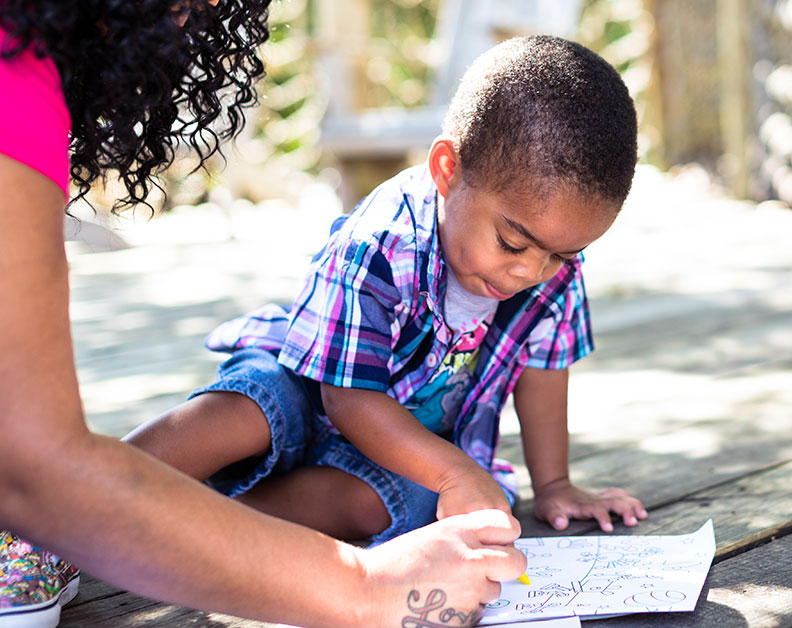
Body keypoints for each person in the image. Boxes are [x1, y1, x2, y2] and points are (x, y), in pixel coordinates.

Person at [0, 1, 524, 627]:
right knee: (261, 398)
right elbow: (29, 473)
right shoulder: (15, 87)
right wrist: (366, 585)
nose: (198, 21)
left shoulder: (31, 80)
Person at [123, 34, 648, 553]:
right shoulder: (380, 243)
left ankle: (204, 519)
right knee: (254, 404)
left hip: (399, 450)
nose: (531, 271)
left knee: (417, 505)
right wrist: (455, 471)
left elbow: (544, 373)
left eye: (560, 254)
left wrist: (553, 484)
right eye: (512, 243)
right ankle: (81, 492)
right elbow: (346, 396)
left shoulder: (553, 272)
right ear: (448, 169)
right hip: (310, 390)